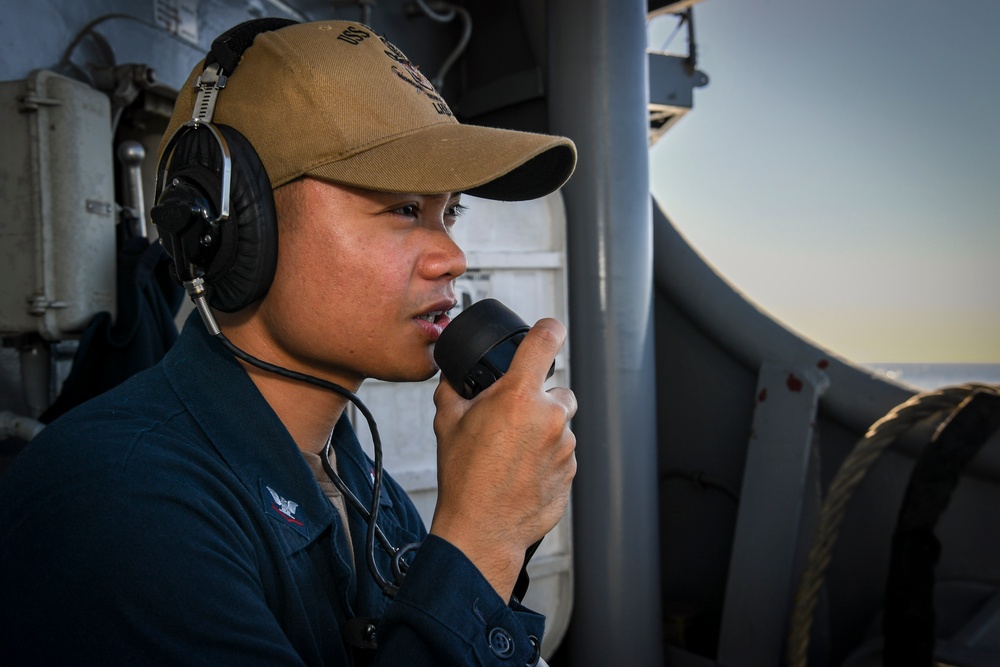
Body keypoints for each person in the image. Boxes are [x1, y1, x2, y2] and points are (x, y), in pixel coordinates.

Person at [0, 18, 577, 666]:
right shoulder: (116, 503)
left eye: (449, 213)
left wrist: (502, 516)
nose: (451, 255)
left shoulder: (345, 461)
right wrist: (482, 543)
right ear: (232, 224)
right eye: (403, 209)